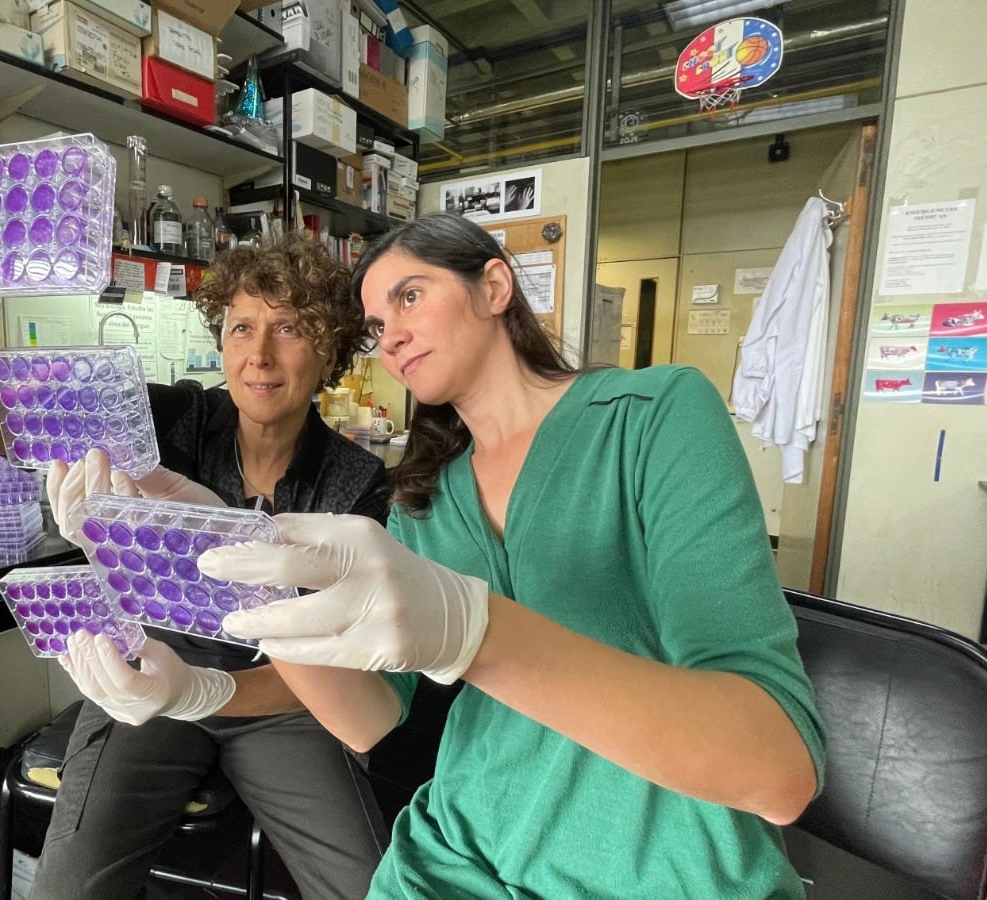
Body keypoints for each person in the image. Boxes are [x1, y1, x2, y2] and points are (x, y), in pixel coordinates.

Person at [197, 212, 828, 899]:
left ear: (494, 287)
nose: (392, 336)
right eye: (377, 324)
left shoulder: (650, 416)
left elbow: (778, 768)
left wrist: (478, 632)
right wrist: (239, 591)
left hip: (654, 867)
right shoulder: (426, 498)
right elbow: (369, 718)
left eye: (410, 296)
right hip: (457, 854)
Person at [0, 142, 391, 899]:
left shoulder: (358, 483)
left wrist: (208, 691)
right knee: (73, 885)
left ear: (330, 350)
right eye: (241, 328)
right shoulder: (174, 420)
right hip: (152, 667)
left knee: (370, 884)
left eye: (291, 328)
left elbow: (349, 674)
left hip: (285, 696)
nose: (260, 355)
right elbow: (1, 428)